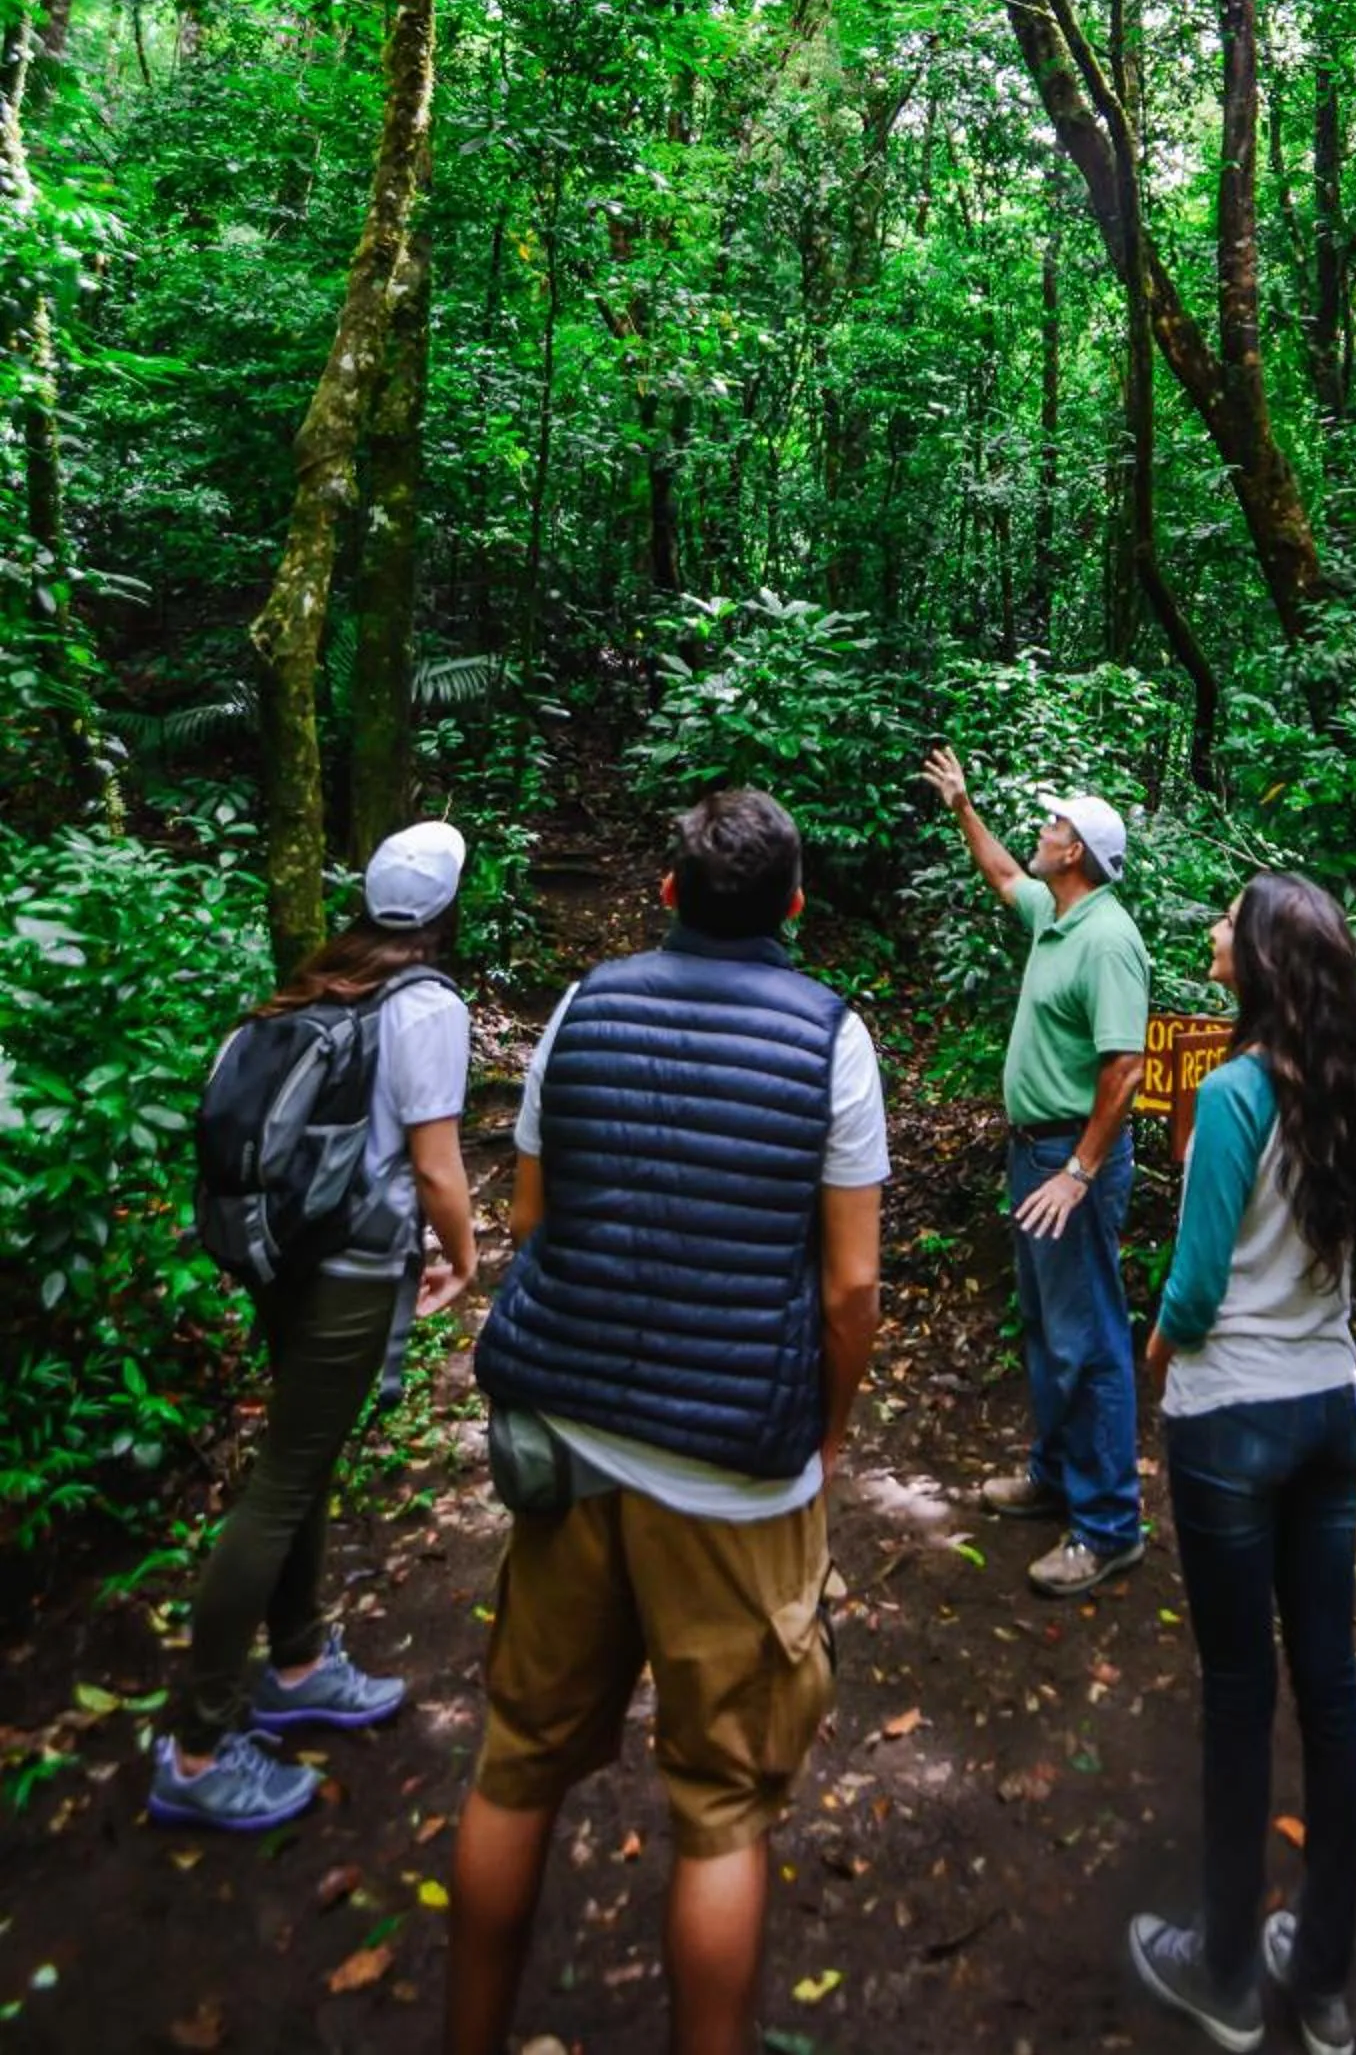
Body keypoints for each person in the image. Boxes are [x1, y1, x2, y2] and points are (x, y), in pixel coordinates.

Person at [446, 786, 886, 2055]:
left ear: (664, 896)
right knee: (724, 1808)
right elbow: (849, 1288)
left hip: (570, 1445)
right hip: (734, 1479)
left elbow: (530, 1226)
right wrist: (826, 1435)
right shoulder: (830, 1039)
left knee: (517, 1758)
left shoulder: (584, 1006)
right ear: (794, 908)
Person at [149, 819, 477, 1835]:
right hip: (345, 1267)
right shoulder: (423, 1008)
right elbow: (432, 1163)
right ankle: (197, 1749)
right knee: (286, 1479)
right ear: (446, 910)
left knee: (306, 1458)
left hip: (282, 1254)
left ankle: (296, 1660)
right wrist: (464, 1256)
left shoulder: (317, 984)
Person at [1128, 872, 1356, 2055]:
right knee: (1330, 1693)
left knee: (1239, 1696)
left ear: (1265, 960)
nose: (1212, 933)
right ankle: (1319, 1976)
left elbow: (1193, 1281)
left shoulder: (1234, 1093)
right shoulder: (1352, 1090)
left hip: (1229, 1418)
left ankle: (1224, 1967)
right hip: (1327, 1414)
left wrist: (1158, 1343)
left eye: (1229, 922)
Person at [920, 744, 1149, 1598]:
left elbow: (1123, 1070)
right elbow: (1001, 873)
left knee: (1088, 1339)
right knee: (1049, 1330)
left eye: (1055, 824)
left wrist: (1081, 1172)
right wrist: (962, 808)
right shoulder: (1056, 917)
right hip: (1034, 1156)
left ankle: (1109, 1526)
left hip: (1067, 1164)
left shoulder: (1110, 941)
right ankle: (1057, 1477)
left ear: (1077, 853)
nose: (1043, 831)